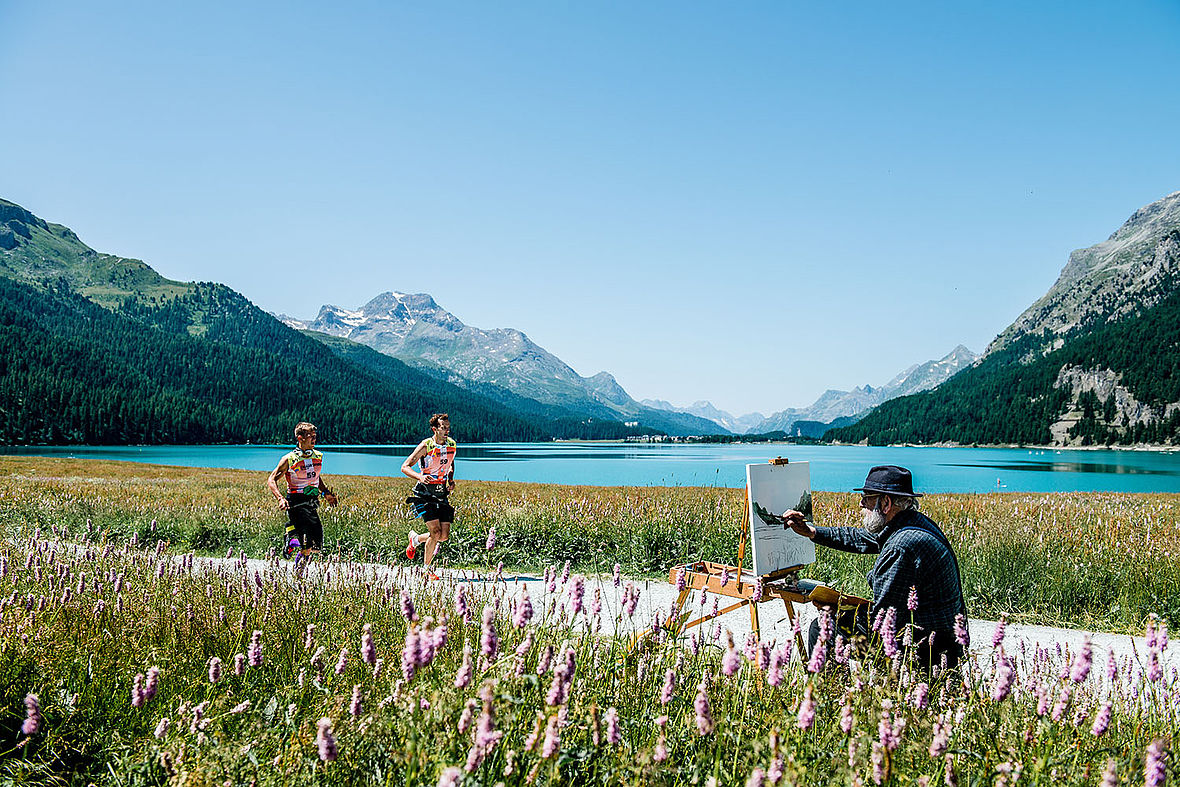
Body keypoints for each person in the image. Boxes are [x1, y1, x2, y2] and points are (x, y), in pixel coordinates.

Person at [781, 465, 969, 670]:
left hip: (925, 650)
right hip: (946, 638)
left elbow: (883, 622)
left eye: (867, 498)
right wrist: (811, 532)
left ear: (886, 503)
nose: (861, 504)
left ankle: (828, 693)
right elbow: (861, 538)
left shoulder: (901, 547)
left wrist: (838, 607)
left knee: (823, 627)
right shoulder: (913, 523)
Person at [267, 422, 337, 563]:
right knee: (306, 544)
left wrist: (326, 493)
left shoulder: (317, 456)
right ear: (300, 438)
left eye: (315, 436)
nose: (314, 439)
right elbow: (271, 480)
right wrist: (280, 498)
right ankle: (298, 574)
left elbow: (315, 478)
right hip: (296, 502)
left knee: (316, 547)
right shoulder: (289, 459)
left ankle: (292, 539)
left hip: (312, 501)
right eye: (310, 436)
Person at [401, 413, 457, 578]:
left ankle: (416, 539)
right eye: (443, 428)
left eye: (448, 427)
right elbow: (404, 466)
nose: (446, 430)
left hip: (441, 492)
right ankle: (426, 570)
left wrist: (450, 479)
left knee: (444, 536)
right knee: (435, 532)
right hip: (424, 493)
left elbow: (451, 463)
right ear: (435, 429)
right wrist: (419, 476)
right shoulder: (426, 446)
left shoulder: (452, 445)